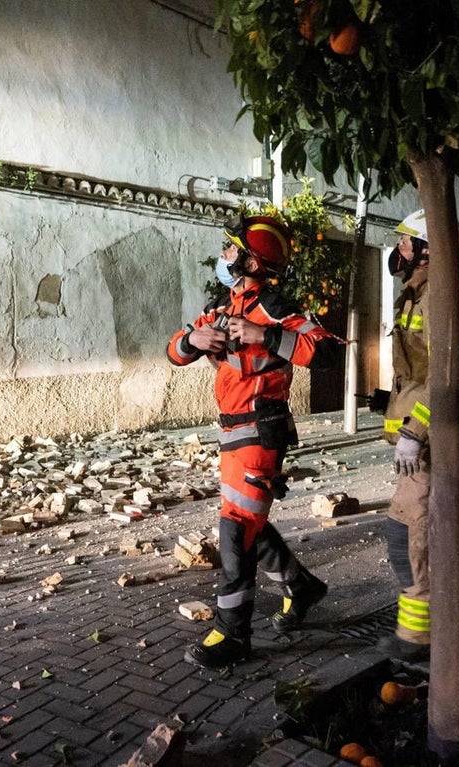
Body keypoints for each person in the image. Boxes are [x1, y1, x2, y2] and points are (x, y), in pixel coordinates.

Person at [167, 213, 342, 668]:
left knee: (235, 528)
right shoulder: (223, 306)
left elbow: (326, 351)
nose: (223, 256)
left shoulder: (276, 309)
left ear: (252, 260)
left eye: (231, 250)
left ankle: (233, 634)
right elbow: (173, 351)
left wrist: (267, 335)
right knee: (248, 522)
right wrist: (194, 338)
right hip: (230, 430)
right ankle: (301, 587)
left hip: (261, 431)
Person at [377, 209, 459, 662]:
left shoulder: (442, 300)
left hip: (439, 441)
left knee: (409, 531)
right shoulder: (423, 296)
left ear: (427, 250)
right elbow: (421, 370)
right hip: (445, 438)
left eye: (406, 242)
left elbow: (450, 375)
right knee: (456, 531)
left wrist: (415, 431)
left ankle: (419, 633)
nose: (398, 251)